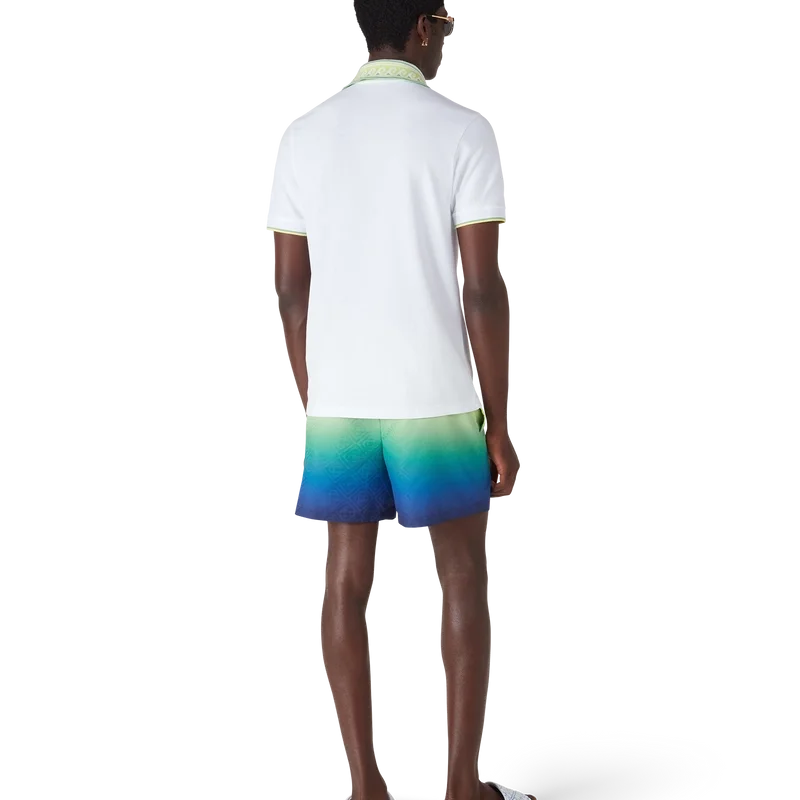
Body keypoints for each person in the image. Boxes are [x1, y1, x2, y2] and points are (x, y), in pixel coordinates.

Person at [266, 2, 531, 799]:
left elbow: (290, 290)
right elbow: (482, 290)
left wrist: (318, 397)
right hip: (435, 393)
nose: (447, 35)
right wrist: (500, 423)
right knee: (462, 578)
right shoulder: (464, 128)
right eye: (446, 21)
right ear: (422, 27)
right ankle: (461, 786)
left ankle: (366, 786)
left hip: (343, 399)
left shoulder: (301, 132)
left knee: (345, 578)